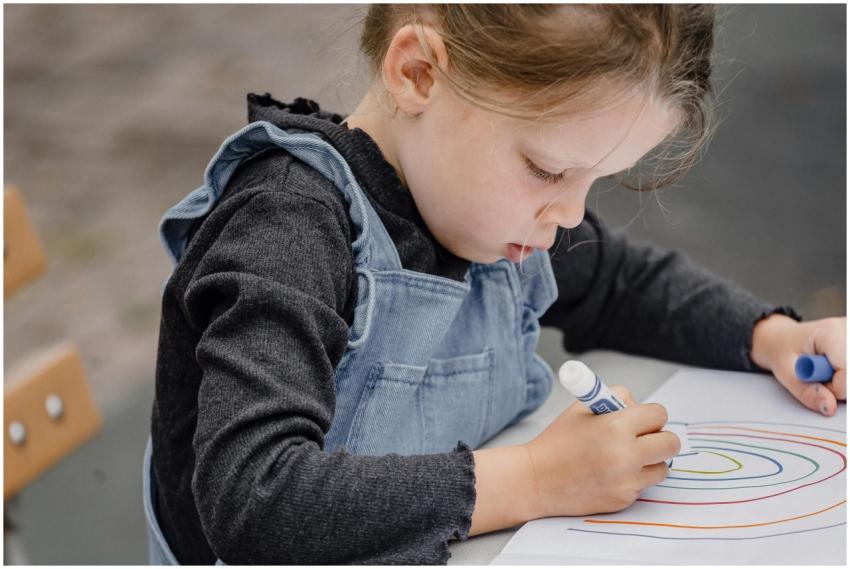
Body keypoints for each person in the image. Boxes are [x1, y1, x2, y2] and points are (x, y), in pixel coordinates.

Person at [145, 5, 846, 565]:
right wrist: (538, 478)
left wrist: (772, 336)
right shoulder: (286, 227)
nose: (569, 215)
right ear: (418, 73)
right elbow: (257, 498)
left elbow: (624, 284)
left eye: (590, 181)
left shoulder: (487, 211)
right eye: (547, 170)